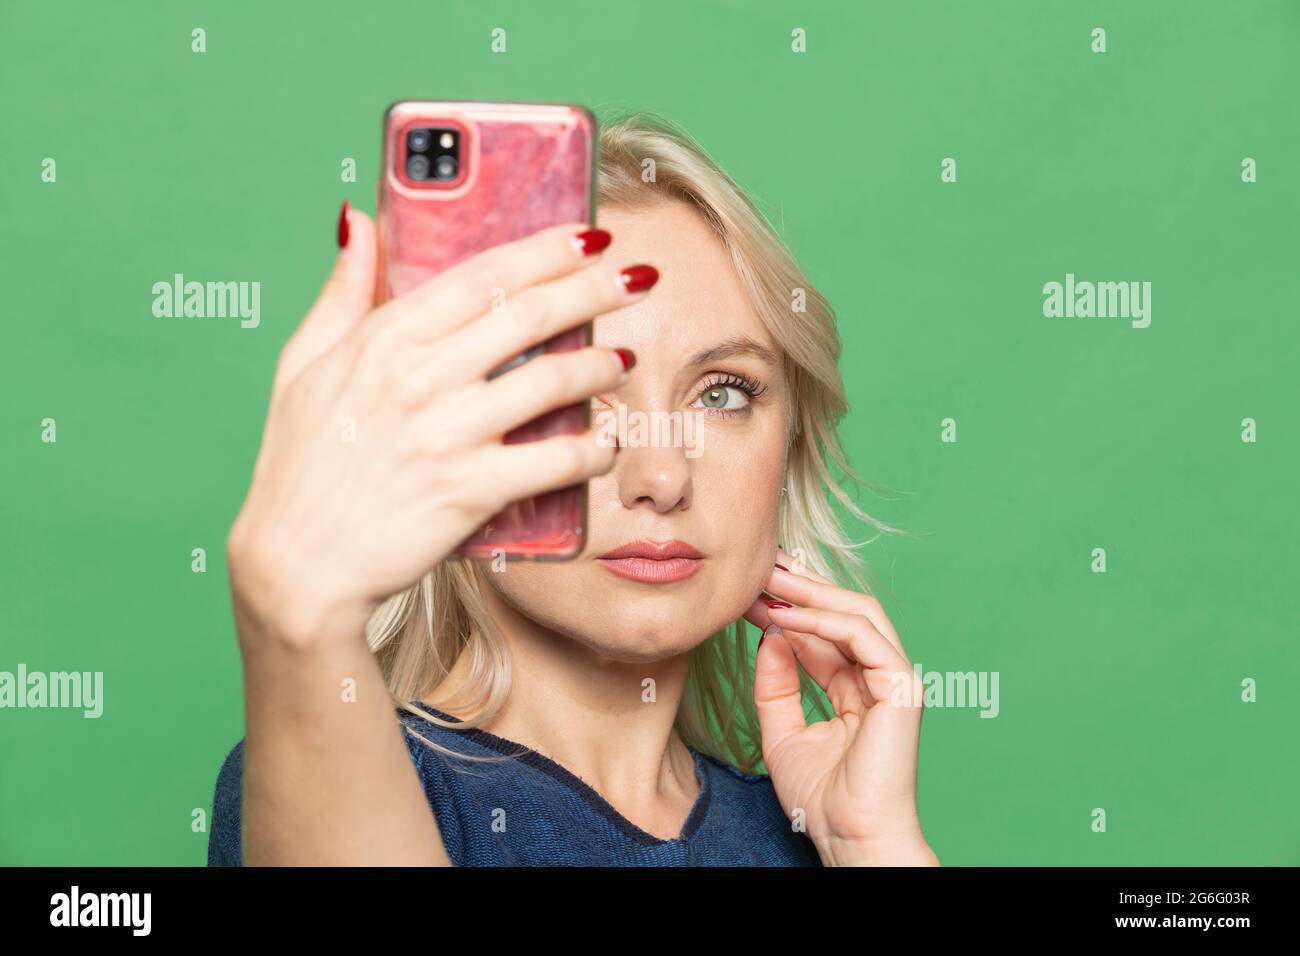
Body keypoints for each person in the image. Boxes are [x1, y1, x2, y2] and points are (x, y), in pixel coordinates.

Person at [208, 113, 939, 866]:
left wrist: (874, 847)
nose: (662, 478)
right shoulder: (357, 777)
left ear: (787, 450)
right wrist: (297, 613)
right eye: (582, 395)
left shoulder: (812, 826)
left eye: (721, 394)